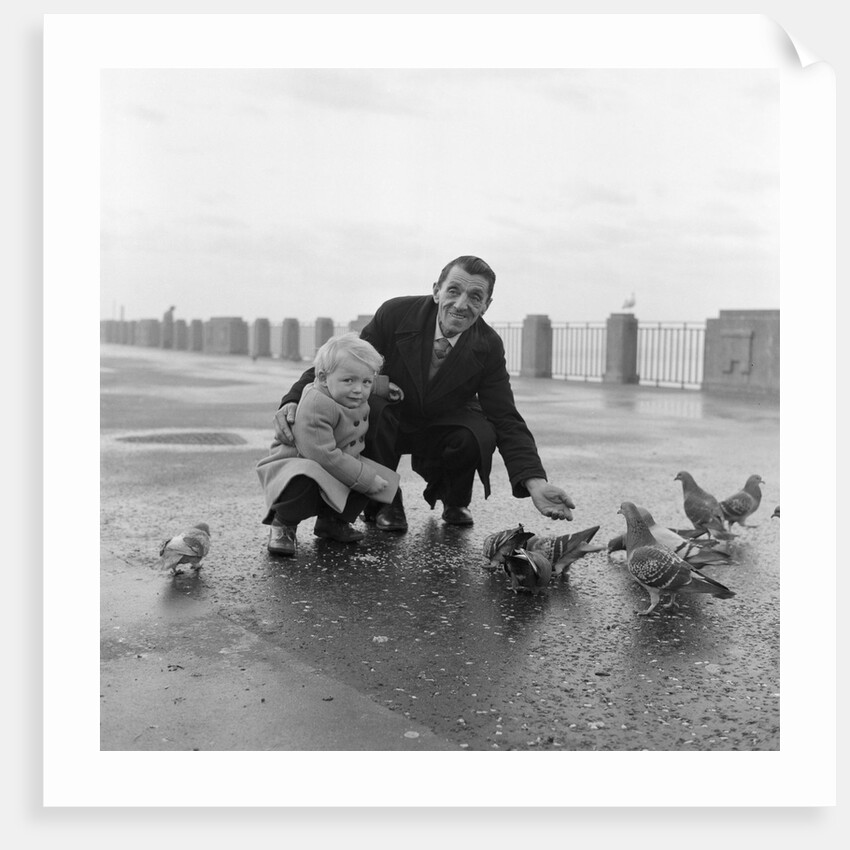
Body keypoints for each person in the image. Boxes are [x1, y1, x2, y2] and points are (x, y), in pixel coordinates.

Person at [273, 255, 575, 534]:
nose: (460, 304)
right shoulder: (396, 313)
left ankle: (454, 499)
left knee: (479, 430)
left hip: (441, 423)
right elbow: (340, 363)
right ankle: (384, 502)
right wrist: (294, 398)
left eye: (475, 297)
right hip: (391, 418)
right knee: (373, 407)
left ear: (486, 305)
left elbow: (505, 416)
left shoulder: (489, 345)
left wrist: (535, 482)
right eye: (453, 291)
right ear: (436, 291)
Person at [256, 333, 401, 556]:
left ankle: (332, 521)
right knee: (307, 481)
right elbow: (322, 454)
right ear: (323, 378)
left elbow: (359, 380)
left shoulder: (348, 393)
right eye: (349, 381)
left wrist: (381, 387)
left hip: (336, 459)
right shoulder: (317, 403)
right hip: (301, 461)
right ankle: (284, 524)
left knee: (381, 482)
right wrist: (365, 479)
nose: (358, 390)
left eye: (366, 382)